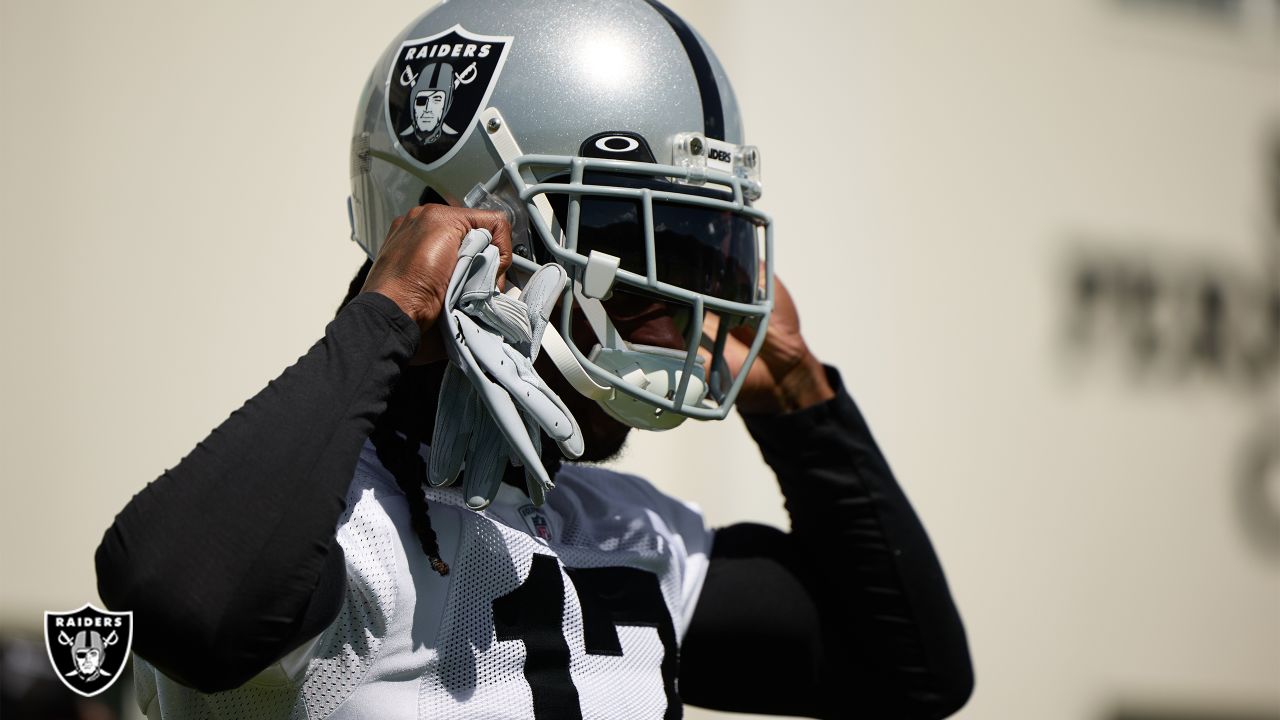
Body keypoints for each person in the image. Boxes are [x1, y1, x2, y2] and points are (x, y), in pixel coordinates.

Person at [95, 1, 974, 718]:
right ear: (457, 237)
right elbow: (181, 606)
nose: (677, 327)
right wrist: (385, 316)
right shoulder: (331, 527)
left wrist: (803, 404)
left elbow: (910, 669)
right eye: (633, 269)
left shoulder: (624, 531)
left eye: (700, 263)